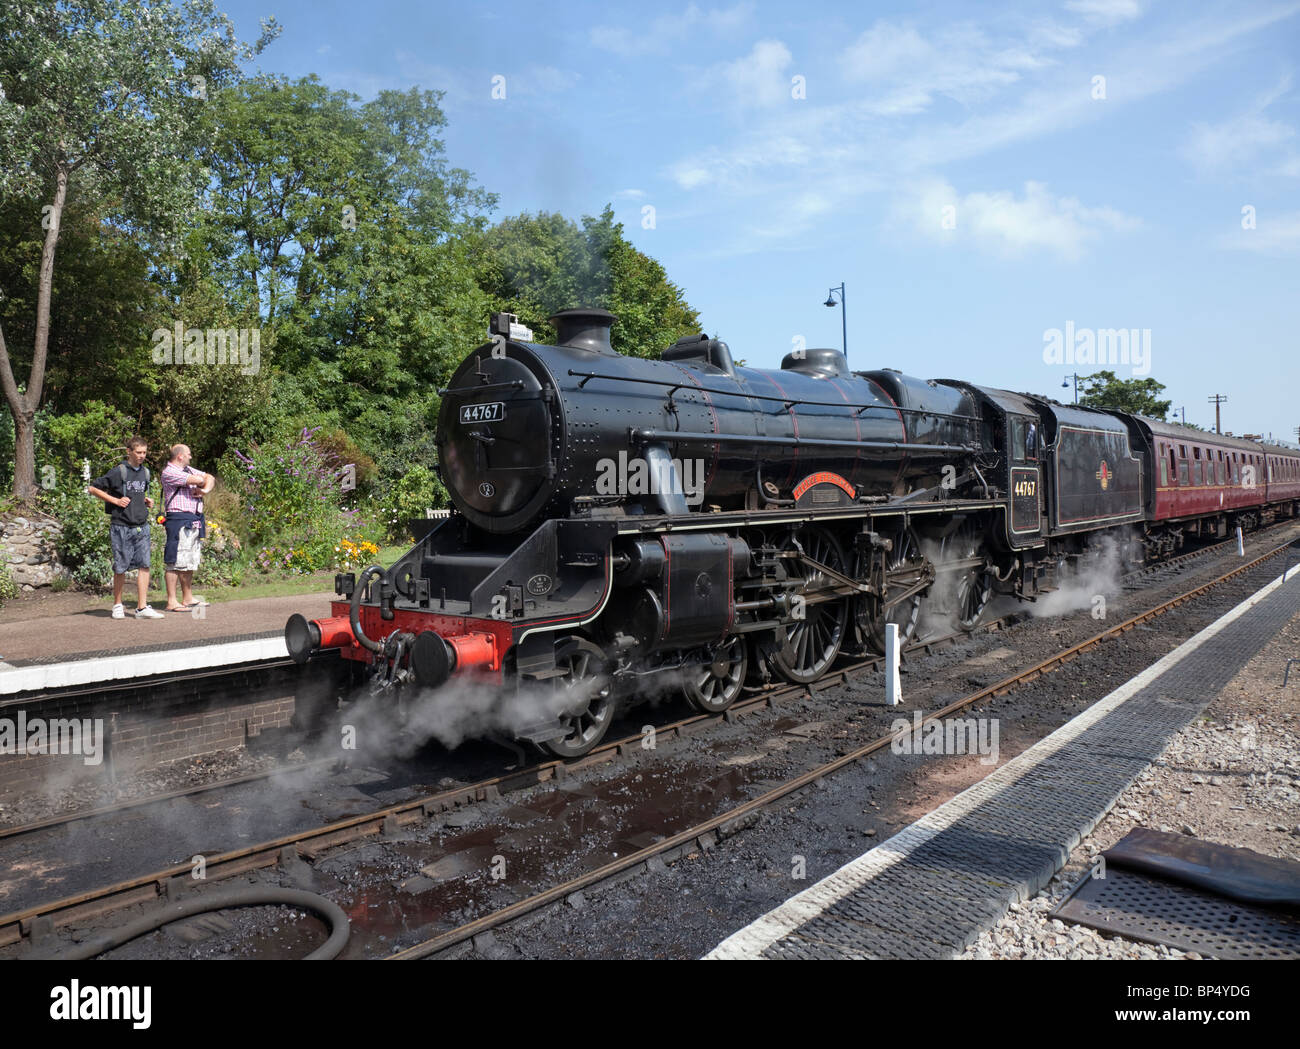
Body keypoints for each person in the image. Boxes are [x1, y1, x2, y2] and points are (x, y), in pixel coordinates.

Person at [87, 436, 163, 619]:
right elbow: (92, 488)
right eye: (138, 452)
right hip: (121, 526)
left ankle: (142, 608)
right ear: (129, 451)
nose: (142, 456)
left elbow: (137, 492)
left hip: (141, 526)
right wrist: (115, 500)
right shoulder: (118, 472)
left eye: (144, 453)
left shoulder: (145, 472)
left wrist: (146, 500)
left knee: (145, 565)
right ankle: (117, 605)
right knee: (120, 567)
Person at [160, 444, 215, 612]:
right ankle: (171, 601)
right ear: (180, 456)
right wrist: (201, 479)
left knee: (189, 561)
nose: (191, 457)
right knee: (174, 561)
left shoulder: (187, 469)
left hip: (194, 519)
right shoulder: (169, 472)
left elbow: (210, 478)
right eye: (189, 455)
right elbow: (198, 479)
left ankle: (188, 598)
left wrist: (204, 490)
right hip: (178, 520)